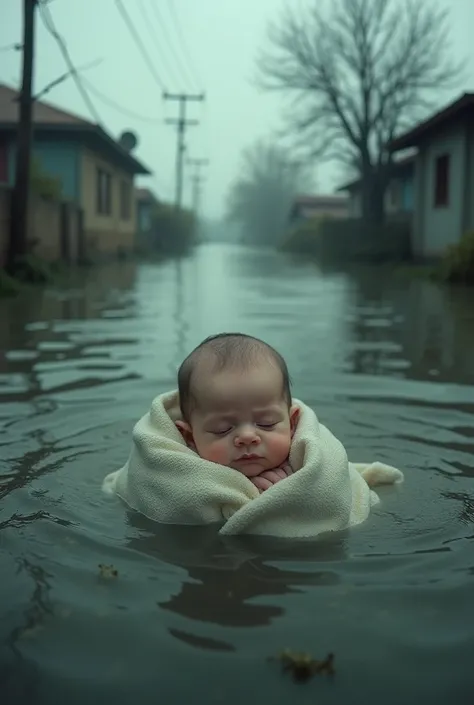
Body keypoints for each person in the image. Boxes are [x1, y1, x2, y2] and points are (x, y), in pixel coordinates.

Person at [175, 332, 299, 493]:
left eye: (266, 423)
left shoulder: (309, 464)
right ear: (189, 437)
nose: (247, 437)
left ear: (292, 423)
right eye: (222, 429)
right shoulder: (175, 478)